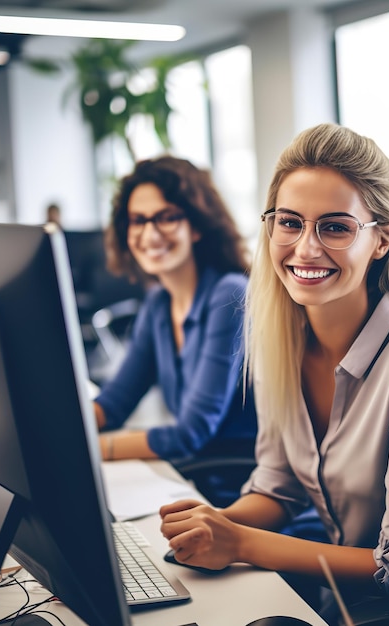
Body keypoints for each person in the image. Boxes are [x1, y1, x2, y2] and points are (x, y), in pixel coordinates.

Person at [159, 123, 389, 621]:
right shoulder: (279, 340)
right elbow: (277, 487)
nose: (305, 248)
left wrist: (240, 542)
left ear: (380, 241)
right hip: (354, 599)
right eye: (289, 223)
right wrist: (211, 524)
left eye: (334, 227)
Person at [94, 156, 257, 502]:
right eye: (138, 220)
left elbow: (192, 432)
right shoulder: (158, 304)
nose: (150, 234)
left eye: (167, 217)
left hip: (241, 495)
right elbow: (114, 403)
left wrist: (92, 447)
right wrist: (54, 431)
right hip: (191, 483)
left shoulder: (230, 294)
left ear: (196, 226)